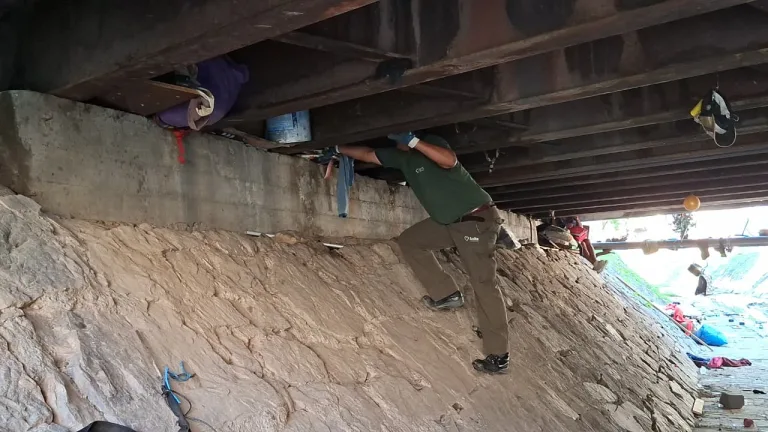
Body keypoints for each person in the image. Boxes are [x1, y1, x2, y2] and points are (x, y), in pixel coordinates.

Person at [328, 132, 509, 374]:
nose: (399, 142)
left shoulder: (433, 144)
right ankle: (446, 293)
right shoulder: (402, 157)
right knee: (411, 241)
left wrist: (414, 141)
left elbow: (449, 160)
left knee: (483, 283)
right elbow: (368, 154)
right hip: (448, 222)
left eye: (403, 137)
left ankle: (498, 355)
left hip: (475, 219)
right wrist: (338, 148)